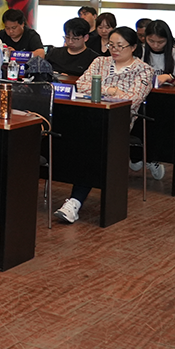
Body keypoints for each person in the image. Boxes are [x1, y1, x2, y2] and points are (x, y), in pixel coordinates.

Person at [56, 28, 153, 223]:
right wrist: (112, 90)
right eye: (111, 45)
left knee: (90, 145)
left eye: (120, 46)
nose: (114, 50)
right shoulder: (100, 62)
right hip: (86, 116)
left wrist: (99, 89)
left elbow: (132, 99)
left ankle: (74, 202)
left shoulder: (144, 70)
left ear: (133, 47)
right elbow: (82, 85)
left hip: (116, 123)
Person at [138, 19, 175, 87]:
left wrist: (169, 78)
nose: (155, 45)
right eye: (151, 41)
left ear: (168, 39)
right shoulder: (140, 50)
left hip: (170, 91)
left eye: (160, 42)